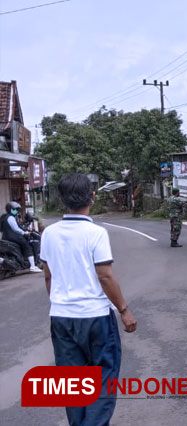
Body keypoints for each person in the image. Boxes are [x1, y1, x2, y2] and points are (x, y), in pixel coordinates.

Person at [39, 172, 137, 426]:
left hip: (61, 317)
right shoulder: (95, 233)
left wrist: (61, 302)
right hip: (95, 318)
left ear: (62, 200)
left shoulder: (49, 233)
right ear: (92, 197)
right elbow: (105, 276)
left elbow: (48, 277)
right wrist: (124, 310)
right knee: (104, 379)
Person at [1, 201, 42, 272]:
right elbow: (16, 228)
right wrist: (24, 233)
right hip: (13, 237)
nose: (16, 211)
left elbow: (18, 226)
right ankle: (33, 266)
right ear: (10, 209)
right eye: (15, 209)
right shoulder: (10, 217)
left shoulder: (5, 217)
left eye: (17, 209)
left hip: (6, 237)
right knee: (27, 246)